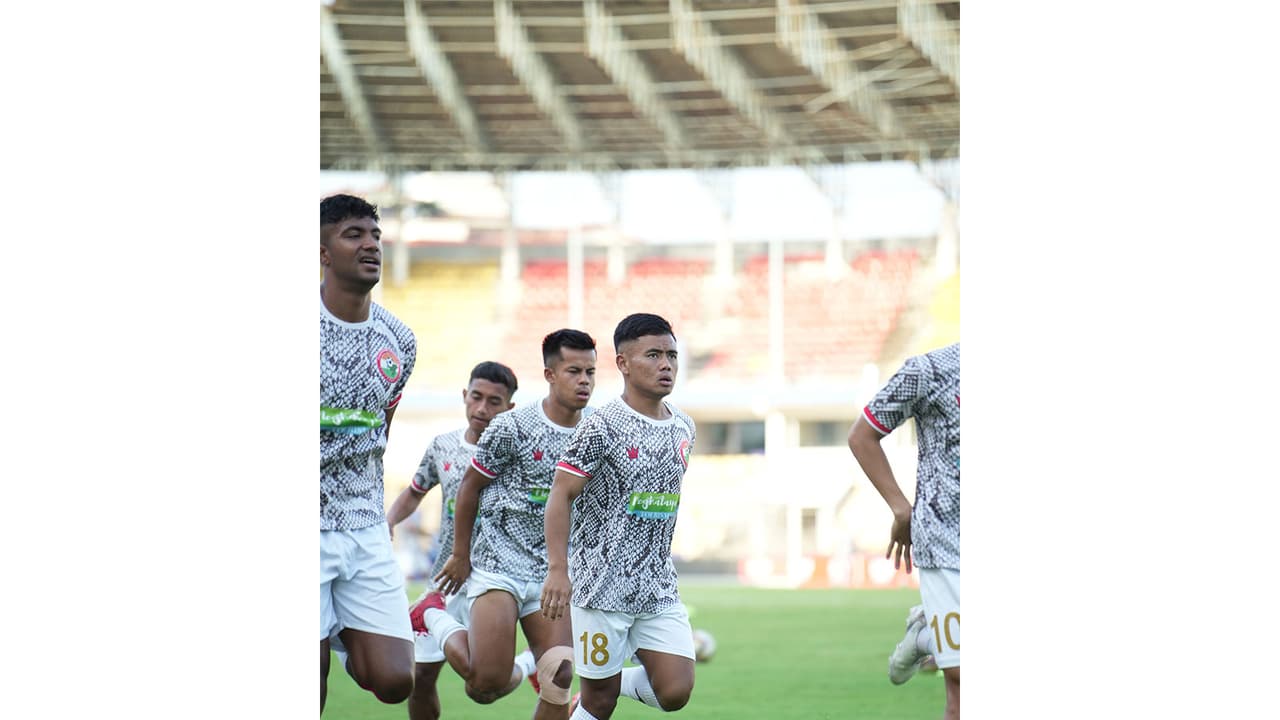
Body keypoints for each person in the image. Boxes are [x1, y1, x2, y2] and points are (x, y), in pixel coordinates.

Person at [415, 329, 599, 720]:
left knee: (561, 675)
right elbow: (469, 488)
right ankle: (431, 612)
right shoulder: (511, 427)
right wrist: (461, 554)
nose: (584, 380)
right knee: (485, 685)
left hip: (551, 573)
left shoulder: (595, 433)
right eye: (573, 371)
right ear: (550, 374)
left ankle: (533, 665)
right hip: (498, 565)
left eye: (590, 372)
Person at [541, 313, 698, 720]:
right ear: (623, 363)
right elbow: (561, 493)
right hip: (601, 588)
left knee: (676, 690)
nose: (666, 364)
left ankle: (614, 681)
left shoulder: (684, 427)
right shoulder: (602, 427)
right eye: (653, 355)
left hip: (657, 584)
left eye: (671, 355)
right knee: (599, 703)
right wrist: (558, 568)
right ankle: (600, 691)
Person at [386, 361, 536, 720]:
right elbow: (414, 492)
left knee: (483, 690)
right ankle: (532, 661)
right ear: (464, 396)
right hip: (448, 576)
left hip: (497, 578)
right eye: (476, 397)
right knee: (420, 676)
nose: (482, 409)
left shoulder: (519, 454)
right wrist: (386, 523)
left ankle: (531, 663)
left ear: (509, 408)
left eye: (494, 402)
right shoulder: (442, 447)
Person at [320, 194, 418, 713]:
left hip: (362, 526)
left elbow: (380, 432)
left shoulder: (399, 341)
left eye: (375, 235)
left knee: (395, 680)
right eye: (353, 234)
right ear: (323, 252)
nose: (370, 245)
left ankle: (337, 627)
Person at [847, 343, 960, 720]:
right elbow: (862, 435)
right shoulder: (930, 371)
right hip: (945, 539)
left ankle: (930, 633)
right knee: (964, 676)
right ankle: (933, 637)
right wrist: (900, 507)